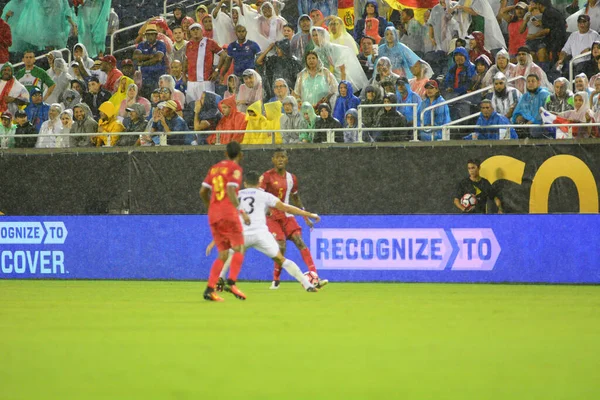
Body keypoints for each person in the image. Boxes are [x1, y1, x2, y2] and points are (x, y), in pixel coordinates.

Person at [209, 170, 320, 292]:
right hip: (260, 235)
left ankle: (219, 279)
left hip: (242, 235)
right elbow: (286, 208)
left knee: (231, 253)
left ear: (245, 184)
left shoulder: (237, 195)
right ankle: (307, 285)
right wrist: (308, 214)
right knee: (281, 260)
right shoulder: (265, 195)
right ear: (258, 183)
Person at [260, 149, 328, 289]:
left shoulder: (291, 178)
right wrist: (266, 211)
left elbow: (295, 198)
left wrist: (305, 216)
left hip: (286, 215)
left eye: (283, 157)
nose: (280, 160)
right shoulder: (266, 177)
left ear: (287, 160)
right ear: (273, 160)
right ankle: (276, 279)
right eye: (277, 157)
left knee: (299, 241)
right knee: (281, 245)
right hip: (272, 216)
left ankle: (315, 277)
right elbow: (259, 197)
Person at [199, 141, 250, 301]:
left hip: (213, 215)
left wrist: (211, 207)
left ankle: (209, 289)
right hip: (228, 213)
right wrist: (241, 212)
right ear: (240, 154)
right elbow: (230, 190)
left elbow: (202, 191)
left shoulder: (214, 168)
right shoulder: (235, 169)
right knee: (239, 248)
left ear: (225, 154)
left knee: (222, 254)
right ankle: (231, 282)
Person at [311, 27, 369, 93]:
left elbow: (342, 69)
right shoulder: (315, 52)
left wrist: (342, 85)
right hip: (325, 81)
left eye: (317, 35)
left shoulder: (333, 48)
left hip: (339, 79)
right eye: (313, 35)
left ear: (323, 35)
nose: (315, 37)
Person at [184, 23, 226, 103]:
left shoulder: (210, 42)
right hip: (191, 82)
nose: (195, 32)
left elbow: (223, 55)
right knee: (191, 106)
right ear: (190, 32)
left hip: (206, 81)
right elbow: (186, 61)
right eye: (193, 30)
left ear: (201, 31)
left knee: (207, 106)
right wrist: (183, 75)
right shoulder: (188, 45)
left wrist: (217, 70)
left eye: (197, 29)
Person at [134, 24, 168, 98]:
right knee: (144, 97)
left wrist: (143, 63)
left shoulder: (161, 44)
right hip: (144, 77)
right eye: (148, 35)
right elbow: (136, 56)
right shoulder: (142, 44)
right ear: (145, 35)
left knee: (157, 97)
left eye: (152, 34)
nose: (150, 37)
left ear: (156, 35)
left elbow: (158, 58)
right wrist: (150, 56)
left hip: (157, 76)